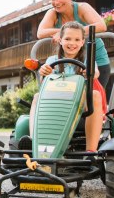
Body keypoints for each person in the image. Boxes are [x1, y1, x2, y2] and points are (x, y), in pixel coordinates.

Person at [32, 21, 106, 152]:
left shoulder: (88, 61)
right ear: (60, 40)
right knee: (37, 96)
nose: (72, 43)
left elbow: (95, 72)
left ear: (83, 42)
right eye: (67, 39)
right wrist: (44, 71)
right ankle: (34, 142)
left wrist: (91, 73)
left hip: (81, 105)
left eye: (77, 39)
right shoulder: (52, 61)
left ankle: (91, 151)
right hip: (55, 104)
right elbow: (45, 73)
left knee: (95, 95)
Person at [37, 0, 111, 96]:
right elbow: (40, 32)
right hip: (67, 63)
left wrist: (66, 32)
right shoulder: (53, 13)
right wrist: (63, 31)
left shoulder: (82, 7)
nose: (56, 2)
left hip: (93, 61)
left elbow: (101, 25)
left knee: (92, 98)